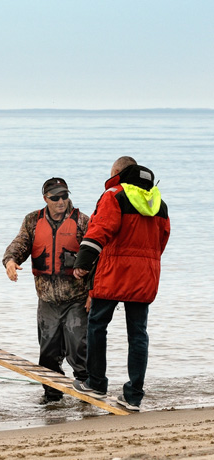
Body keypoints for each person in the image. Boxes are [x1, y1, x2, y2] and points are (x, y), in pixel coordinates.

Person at [71, 157, 170, 412]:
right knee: (138, 334)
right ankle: (133, 396)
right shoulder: (158, 202)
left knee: (97, 325)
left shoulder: (114, 195)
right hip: (145, 275)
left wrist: (83, 262)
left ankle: (96, 383)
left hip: (114, 272)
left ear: (117, 172)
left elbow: (100, 229)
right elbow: (162, 240)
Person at [3, 177, 90, 404]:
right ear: (45, 199)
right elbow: (20, 244)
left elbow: (97, 258)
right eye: (55, 198)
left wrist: (93, 293)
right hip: (47, 300)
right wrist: (10, 261)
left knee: (78, 348)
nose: (61, 201)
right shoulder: (32, 220)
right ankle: (52, 396)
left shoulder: (82, 221)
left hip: (76, 299)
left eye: (64, 196)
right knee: (48, 353)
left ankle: (88, 394)